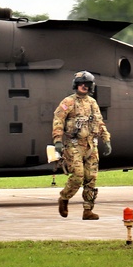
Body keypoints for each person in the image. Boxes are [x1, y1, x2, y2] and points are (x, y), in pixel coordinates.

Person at [52, 70, 111, 220]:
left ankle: (88, 210)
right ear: (76, 85)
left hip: (91, 145)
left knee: (91, 177)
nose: (84, 87)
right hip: (74, 145)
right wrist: (57, 140)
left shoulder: (92, 103)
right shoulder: (68, 102)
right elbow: (58, 121)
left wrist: (106, 138)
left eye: (87, 84)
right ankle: (64, 198)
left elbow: (99, 121)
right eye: (82, 84)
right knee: (78, 176)